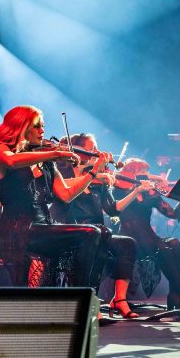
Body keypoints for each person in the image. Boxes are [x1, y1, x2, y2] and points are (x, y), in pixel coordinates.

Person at [0, 106, 109, 290]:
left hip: (45, 226)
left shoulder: (44, 161)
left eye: (43, 126)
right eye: (37, 126)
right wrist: (55, 153)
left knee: (103, 233)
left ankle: (86, 294)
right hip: (18, 228)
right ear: (21, 127)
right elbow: (11, 161)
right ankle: (79, 294)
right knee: (90, 233)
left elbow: (66, 194)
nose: (42, 131)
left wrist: (93, 172)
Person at [51, 133, 139, 318]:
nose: (97, 152)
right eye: (92, 149)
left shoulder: (99, 179)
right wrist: (94, 176)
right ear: (78, 151)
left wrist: (136, 190)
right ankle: (90, 301)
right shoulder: (62, 170)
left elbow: (113, 210)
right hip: (69, 229)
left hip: (98, 231)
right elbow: (60, 190)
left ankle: (120, 299)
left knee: (127, 243)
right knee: (96, 239)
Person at [114, 157, 180, 311]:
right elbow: (116, 208)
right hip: (130, 240)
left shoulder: (150, 194)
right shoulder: (119, 189)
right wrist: (152, 181)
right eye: (142, 171)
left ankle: (174, 294)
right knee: (163, 249)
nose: (146, 175)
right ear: (131, 172)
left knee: (174, 243)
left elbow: (172, 214)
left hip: (149, 238)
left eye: (147, 172)